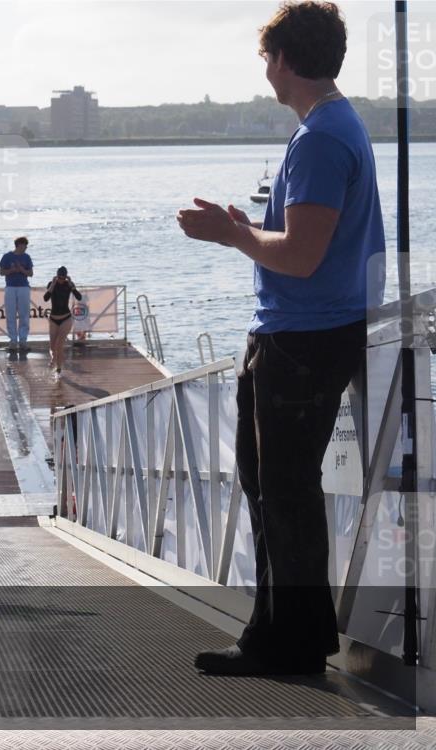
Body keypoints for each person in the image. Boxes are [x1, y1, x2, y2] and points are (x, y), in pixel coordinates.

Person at [176, 1, 384, 676]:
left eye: (267, 58)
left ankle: (287, 644)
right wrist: (247, 228)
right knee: (274, 489)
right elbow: (304, 243)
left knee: (283, 493)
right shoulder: (332, 127)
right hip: (306, 332)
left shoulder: (322, 137)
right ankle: (286, 634)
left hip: (303, 338)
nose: (265, 70)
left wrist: (232, 234)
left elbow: (301, 256)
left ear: (285, 60)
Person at [44, 266, 82, 379]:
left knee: (59, 345)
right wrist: (53, 285)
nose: (61, 280)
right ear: (56, 276)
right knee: (52, 346)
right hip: (53, 319)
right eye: (59, 278)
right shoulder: (51, 283)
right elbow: (46, 298)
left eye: (63, 278)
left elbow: (79, 297)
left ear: (66, 277)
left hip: (66, 318)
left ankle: (58, 369)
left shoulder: (68, 284)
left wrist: (73, 287)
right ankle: (53, 358)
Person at [0, 237, 33, 351]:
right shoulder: (7, 256)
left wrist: (21, 270)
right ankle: (13, 340)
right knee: (10, 314)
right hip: (10, 287)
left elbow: (30, 273)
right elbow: (1, 272)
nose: (25, 248)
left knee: (24, 315)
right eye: (24, 245)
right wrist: (12, 270)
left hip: (23, 287)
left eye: (26, 246)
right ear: (18, 245)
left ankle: (23, 340)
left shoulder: (26, 257)